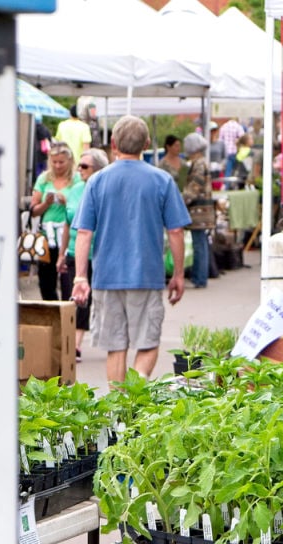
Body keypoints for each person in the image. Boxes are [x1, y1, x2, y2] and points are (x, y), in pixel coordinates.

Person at [71, 115, 191, 384]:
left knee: (116, 346)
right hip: (146, 276)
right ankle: (135, 396)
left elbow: (84, 232)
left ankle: (119, 409)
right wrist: (179, 274)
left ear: (113, 144)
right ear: (147, 143)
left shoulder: (96, 182)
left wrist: (80, 276)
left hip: (106, 277)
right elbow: (175, 231)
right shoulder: (162, 181)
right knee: (147, 342)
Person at [58, 147, 109, 362]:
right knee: (71, 297)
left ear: (97, 168)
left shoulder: (105, 188)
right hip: (73, 249)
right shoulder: (75, 189)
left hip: (97, 251)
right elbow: (68, 223)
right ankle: (68, 342)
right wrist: (61, 254)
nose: (80, 169)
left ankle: (76, 344)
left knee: (84, 300)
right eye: (79, 165)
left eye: (85, 166)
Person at [30, 142, 81, 300]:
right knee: (46, 282)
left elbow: (81, 208)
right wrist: (46, 203)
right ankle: (52, 313)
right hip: (47, 234)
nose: (58, 166)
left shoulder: (77, 179)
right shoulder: (44, 179)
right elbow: (33, 210)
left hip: (68, 235)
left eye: (61, 162)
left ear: (69, 161)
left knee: (68, 281)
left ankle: (68, 315)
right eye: (54, 162)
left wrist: (66, 201)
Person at [181, 132, 212, 289]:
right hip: (202, 210)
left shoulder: (199, 164)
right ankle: (200, 276)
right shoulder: (201, 162)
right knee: (201, 243)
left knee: (199, 244)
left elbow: (195, 186)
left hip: (199, 210)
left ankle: (200, 278)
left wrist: (182, 199)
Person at [208, 121, 227, 190]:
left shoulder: (221, 143)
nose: (212, 133)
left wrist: (221, 165)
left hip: (218, 171)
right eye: (211, 131)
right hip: (207, 171)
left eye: (214, 130)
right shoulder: (205, 144)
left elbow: (225, 157)